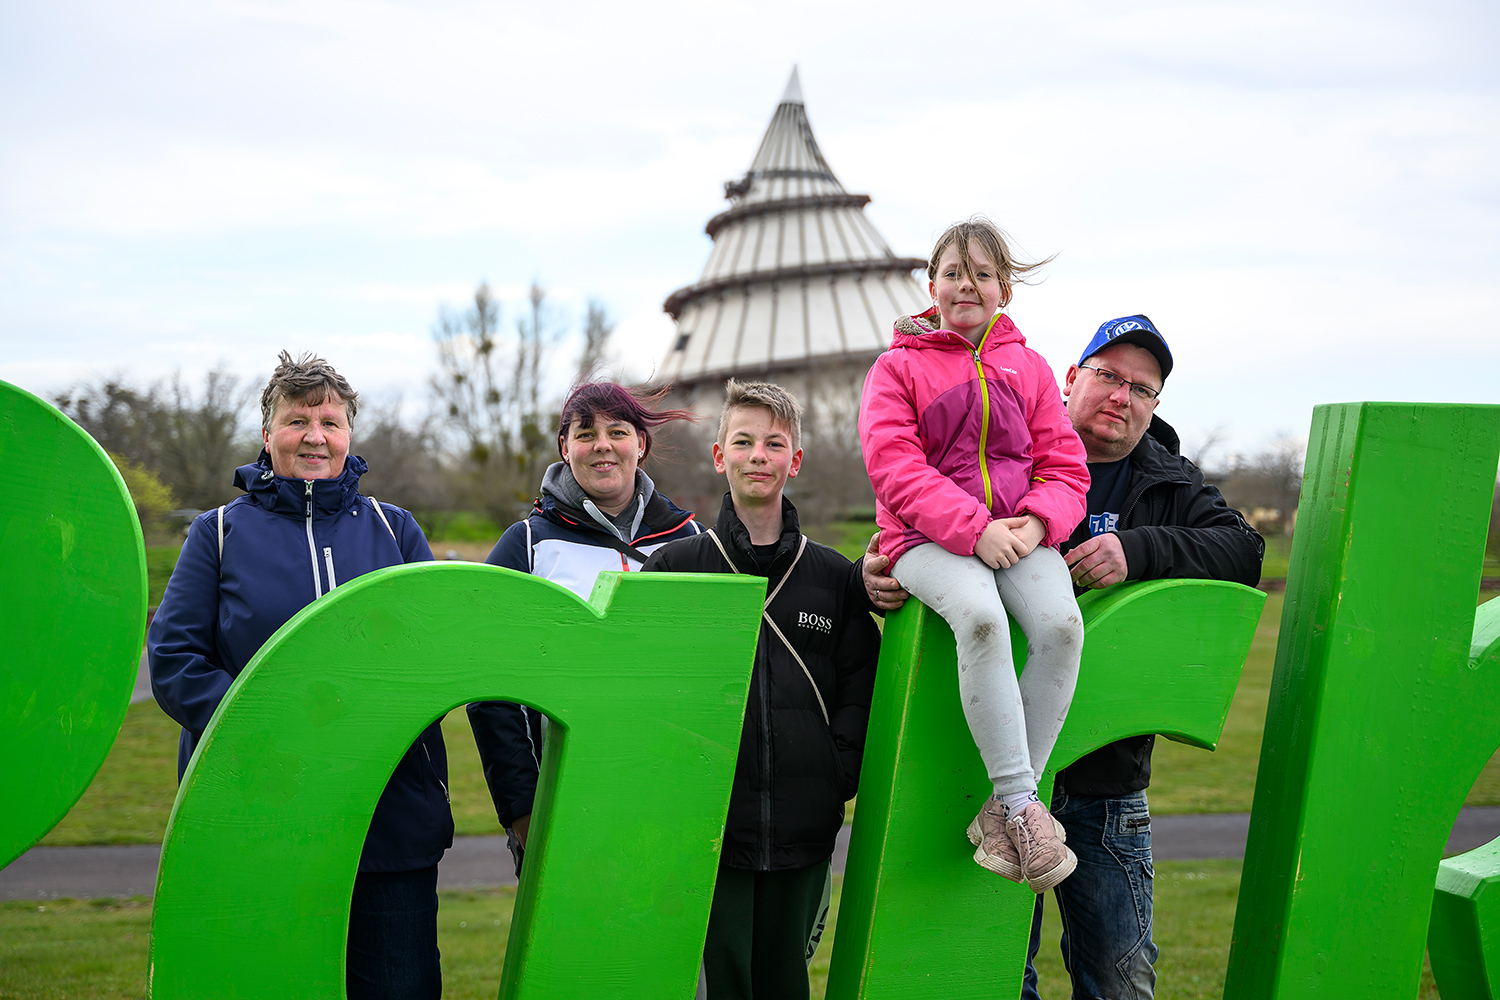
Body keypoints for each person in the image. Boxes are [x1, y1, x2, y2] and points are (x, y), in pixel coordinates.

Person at [148, 351, 452, 1000]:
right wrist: (276, 727)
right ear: (267, 436)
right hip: (258, 811)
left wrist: (363, 733)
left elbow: (437, 660)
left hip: (387, 818)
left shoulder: (394, 531)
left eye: (330, 421)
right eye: (296, 421)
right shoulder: (218, 534)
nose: (315, 435)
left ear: (349, 436)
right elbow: (175, 662)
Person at [1023, 314, 1265, 1000]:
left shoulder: (1168, 480)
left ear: (1155, 405)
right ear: (1071, 379)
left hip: (1108, 780)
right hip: (1005, 778)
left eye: (1142, 387)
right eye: (1108, 376)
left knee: (1123, 982)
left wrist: (1140, 550)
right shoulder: (1011, 454)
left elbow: (1243, 550)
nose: (1121, 396)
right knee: (999, 975)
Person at [858, 217, 1090, 894]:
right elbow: (895, 468)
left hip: (1020, 532)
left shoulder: (1032, 367)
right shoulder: (897, 366)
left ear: (1005, 290)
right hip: (924, 538)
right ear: (931, 285)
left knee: (1062, 628)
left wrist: (1036, 522)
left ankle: (1003, 813)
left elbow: (1065, 467)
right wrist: (972, 529)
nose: (967, 284)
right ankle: (1022, 804)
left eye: (983, 273)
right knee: (982, 619)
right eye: (954, 273)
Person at [642, 379, 880, 1000]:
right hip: (711, 827)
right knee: (724, 982)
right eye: (742, 442)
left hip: (805, 825)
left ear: (794, 461)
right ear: (719, 456)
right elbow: (652, 688)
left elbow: (861, 686)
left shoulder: (833, 577)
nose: (758, 456)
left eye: (774, 444)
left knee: (786, 981)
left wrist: (837, 772)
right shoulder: (676, 569)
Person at [465, 380, 703, 872]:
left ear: (642, 443)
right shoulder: (526, 543)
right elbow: (487, 683)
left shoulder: (694, 541)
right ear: (564, 447)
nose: (602, 445)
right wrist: (523, 809)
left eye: (618, 431)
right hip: (565, 801)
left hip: (674, 794)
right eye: (585, 432)